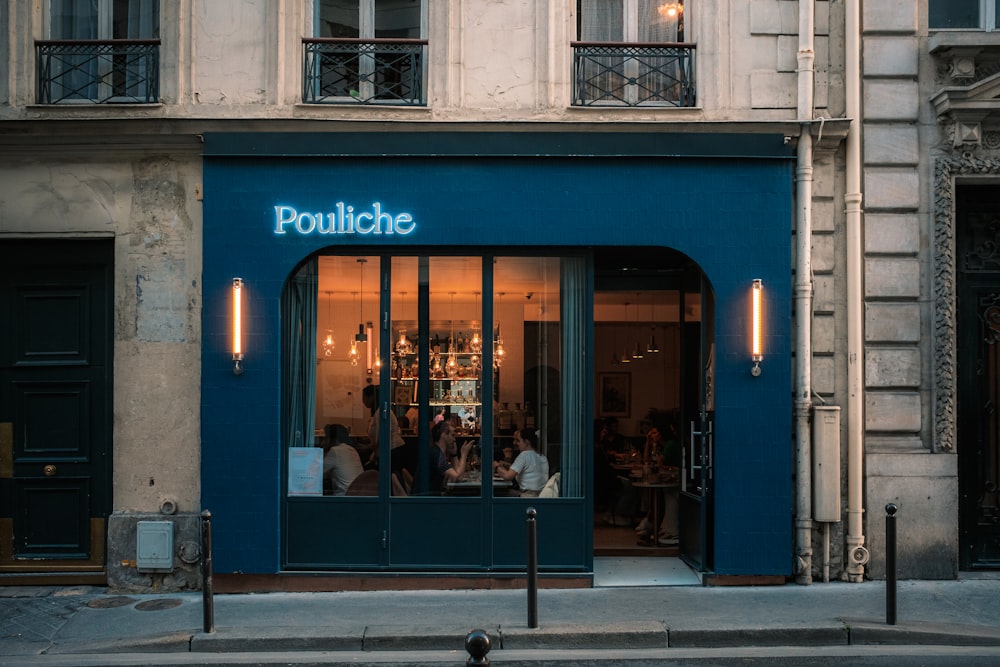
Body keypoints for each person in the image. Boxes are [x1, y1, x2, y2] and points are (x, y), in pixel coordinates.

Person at [635, 421, 681, 545]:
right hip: (669, 481)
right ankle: (658, 528)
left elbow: (658, 464)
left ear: (662, 434)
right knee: (658, 497)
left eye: (654, 433)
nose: (651, 435)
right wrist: (647, 443)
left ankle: (666, 531)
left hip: (676, 482)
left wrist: (653, 445)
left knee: (663, 497)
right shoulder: (663, 445)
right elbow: (647, 461)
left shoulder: (670, 445)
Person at [362, 384, 406, 473]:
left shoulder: (381, 412)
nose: (363, 401)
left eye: (364, 397)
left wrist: (367, 447)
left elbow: (380, 436)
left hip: (392, 451)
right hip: (393, 450)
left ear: (371, 397)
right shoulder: (380, 411)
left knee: (391, 479)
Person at [494, 428, 549, 497]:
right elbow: (530, 470)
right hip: (541, 496)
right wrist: (509, 465)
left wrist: (496, 466)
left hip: (526, 497)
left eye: (518, 440)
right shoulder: (542, 457)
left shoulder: (524, 455)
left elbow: (507, 476)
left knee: (497, 493)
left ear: (527, 442)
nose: (515, 443)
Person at [429, 419, 474, 494]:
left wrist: (454, 454)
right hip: (429, 499)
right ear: (444, 435)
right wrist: (464, 454)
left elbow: (457, 474)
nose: (454, 439)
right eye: (452, 435)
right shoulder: (436, 454)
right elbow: (458, 478)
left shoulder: (437, 451)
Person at [321, 424, 364, 495]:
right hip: (358, 494)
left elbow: (318, 472)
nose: (324, 440)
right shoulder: (351, 449)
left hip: (344, 495)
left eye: (326, 437)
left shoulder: (335, 451)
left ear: (332, 438)